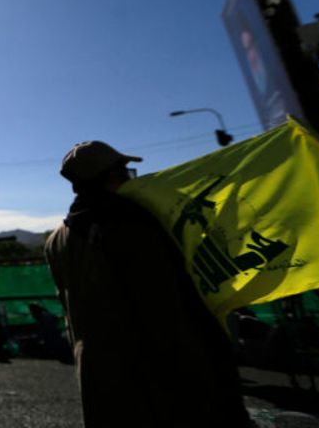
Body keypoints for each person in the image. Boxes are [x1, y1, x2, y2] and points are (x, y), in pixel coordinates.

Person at [44, 140, 250, 427]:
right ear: (111, 176)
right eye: (124, 171)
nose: (130, 176)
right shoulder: (129, 224)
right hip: (157, 369)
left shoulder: (56, 239)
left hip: (98, 372)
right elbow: (166, 305)